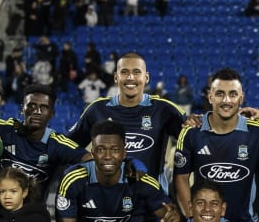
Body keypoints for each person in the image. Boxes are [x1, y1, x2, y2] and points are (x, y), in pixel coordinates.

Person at [56, 120, 179, 222]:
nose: (107, 156)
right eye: (101, 150)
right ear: (92, 153)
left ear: (124, 153)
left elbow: (169, 216)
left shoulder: (139, 179)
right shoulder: (74, 179)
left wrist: (175, 215)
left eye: (115, 150)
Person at [173, 67, 259, 222]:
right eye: (220, 94)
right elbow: (181, 179)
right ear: (210, 96)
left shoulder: (257, 133)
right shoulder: (192, 132)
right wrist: (193, 220)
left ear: (241, 98)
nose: (226, 100)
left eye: (232, 94)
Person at [67, 52, 187, 187]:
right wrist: (89, 158)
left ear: (146, 78)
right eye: (124, 72)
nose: (130, 77)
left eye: (137, 72)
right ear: (116, 78)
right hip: (107, 199)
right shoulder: (97, 109)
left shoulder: (163, 109)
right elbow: (68, 147)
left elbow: (194, 139)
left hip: (151, 201)